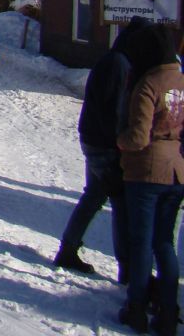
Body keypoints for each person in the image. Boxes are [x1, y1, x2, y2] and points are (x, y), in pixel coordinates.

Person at [53, 18, 147, 277]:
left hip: (95, 138)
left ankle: (68, 248)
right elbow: (114, 110)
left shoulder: (115, 59)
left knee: (94, 195)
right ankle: (127, 267)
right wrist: (122, 142)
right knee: (119, 200)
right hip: (105, 144)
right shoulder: (119, 64)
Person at [116, 23, 184, 335]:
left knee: (141, 242)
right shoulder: (181, 81)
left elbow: (139, 137)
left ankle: (137, 307)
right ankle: (169, 311)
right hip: (177, 171)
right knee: (165, 242)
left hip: (146, 171)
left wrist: (121, 140)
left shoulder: (148, 83)